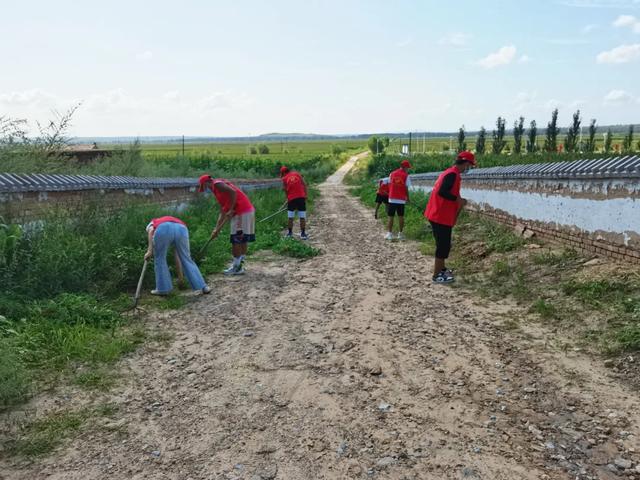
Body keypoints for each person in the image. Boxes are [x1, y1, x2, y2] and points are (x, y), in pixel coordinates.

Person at [424, 151, 477, 284]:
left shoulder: (450, 172)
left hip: (439, 214)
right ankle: (437, 276)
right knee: (442, 246)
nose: (468, 168)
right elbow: (442, 192)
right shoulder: (452, 174)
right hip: (440, 215)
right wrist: (458, 200)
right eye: (469, 165)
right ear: (465, 163)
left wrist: (457, 200)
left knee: (444, 245)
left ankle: (442, 269)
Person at [198, 175, 256, 275]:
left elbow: (233, 192)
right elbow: (222, 211)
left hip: (241, 211)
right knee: (241, 238)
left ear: (208, 182)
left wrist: (231, 208)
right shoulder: (217, 190)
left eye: (205, 187)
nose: (207, 189)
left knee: (236, 239)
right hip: (244, 211)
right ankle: (239, 265)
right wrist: (216, 229)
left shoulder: (217, 184)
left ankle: (236, 268)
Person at [144, 216, 211, 295]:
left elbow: (151, 230)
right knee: (186, 258)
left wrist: (149, 250)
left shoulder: (153, 223)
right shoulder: (171, 220)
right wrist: (180, 278)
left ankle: (163, 289)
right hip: (182, 228)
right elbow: (177, 255)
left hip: (163, 229)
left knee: (160, 258)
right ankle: (203, 287)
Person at [383, 159, 412, 240]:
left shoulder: (392, 173)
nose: (408, 169)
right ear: (405, 167)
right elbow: (406, 188)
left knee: (390, 216)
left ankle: (389, 234)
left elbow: (389, 184)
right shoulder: (406, 176)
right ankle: (400, 234)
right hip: (401, 199)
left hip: (392, 199)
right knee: (401, 216)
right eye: (408, 168)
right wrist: (408, 198)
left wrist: (390, 193)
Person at [280, 166, 308, 240]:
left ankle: (290, 233)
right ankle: (303, 234)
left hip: (291, 199)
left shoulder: (284, 179)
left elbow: (286, 192)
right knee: (302, 216)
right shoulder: (297, 174)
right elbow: (304, 184)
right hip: (301, 198)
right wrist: (306, 195)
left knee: (290, 217)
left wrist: (288, 200)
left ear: (283, 173)